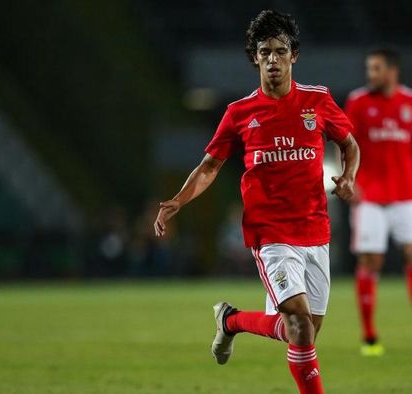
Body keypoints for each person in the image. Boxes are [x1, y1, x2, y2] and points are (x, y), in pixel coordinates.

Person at [153, 10, 359, 393]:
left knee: (305, 332)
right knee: (298, 324)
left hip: (315, 231)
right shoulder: (239, 114)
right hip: (271, 235)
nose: (273, 60)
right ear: (255, 58)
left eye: (281, 51)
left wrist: (347, 176)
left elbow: (349, 144)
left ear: (294, 55)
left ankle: (230, 320)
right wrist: (178, 201)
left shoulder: (318, 102)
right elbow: (209, 166)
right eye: (264, 52)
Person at [344, 48, 412, 356]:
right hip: (370, 198)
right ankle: (370, 337)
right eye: (369, 68)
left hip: (407, 196)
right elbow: (345, 143)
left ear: (393, 71)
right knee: (370, 261)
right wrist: (350, 180)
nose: (371, 74)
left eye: (376, 69)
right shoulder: (358, 102)